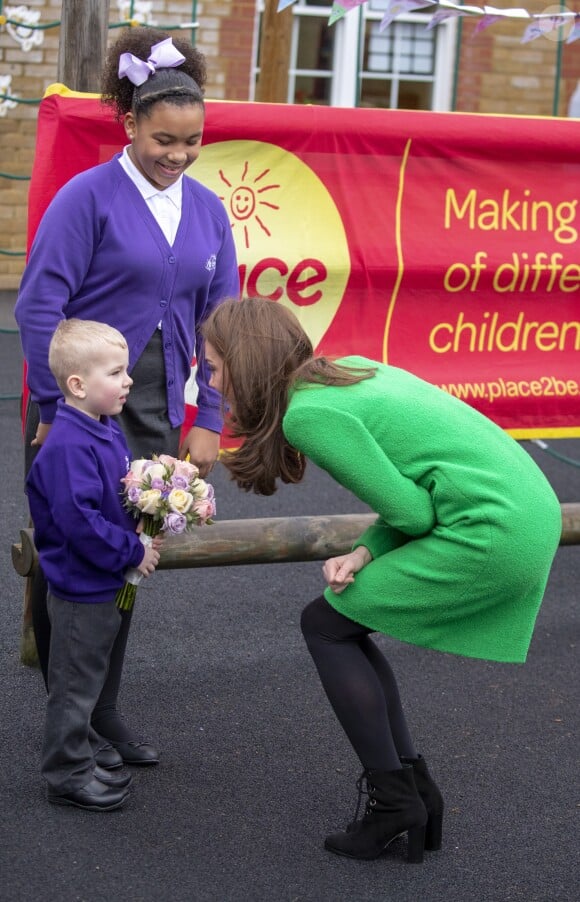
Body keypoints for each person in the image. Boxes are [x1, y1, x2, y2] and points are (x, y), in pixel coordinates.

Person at [200, 296, 562, 863]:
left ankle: (396, 802)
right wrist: (367, 551)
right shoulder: (349, 370)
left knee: (324, 626)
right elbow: (419, 494)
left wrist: (370, 546)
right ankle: (413, 791)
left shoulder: (308, 416)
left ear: (245, 364)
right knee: (340, 624)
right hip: (529, 511)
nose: (213, 381)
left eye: (216, 366)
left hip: (493, 530)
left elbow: (415, 515)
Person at [15, 27, 239, 768]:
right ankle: (69, 716)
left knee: (126, 554)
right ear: (130, 123)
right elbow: (39, 307)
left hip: (147, 409)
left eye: (193, 140)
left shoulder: (208, 213)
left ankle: (101, 710)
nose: (177, 155)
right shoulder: (88, 198)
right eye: (163, 139)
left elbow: (220, 324)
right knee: (69, 550)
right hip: (76, 406)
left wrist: (209, 418)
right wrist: (57, 408)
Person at [26, 320, 163, 810]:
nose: (128, 380)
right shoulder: (67, 446)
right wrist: (132, 551)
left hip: (101, 582)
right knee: (74, 683)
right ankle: (66, 773)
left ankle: (81, 752)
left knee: (88, 673)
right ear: (78, 385)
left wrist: (148, 505)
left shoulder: (102, 429)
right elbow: (78, 522)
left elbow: (115, 494)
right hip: (82, 586)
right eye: (117, 372)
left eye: (126, 370)